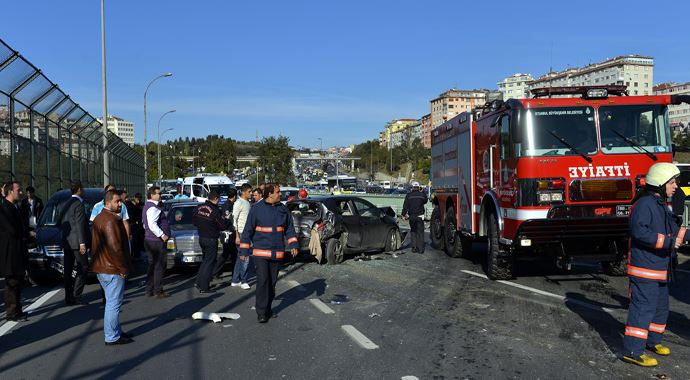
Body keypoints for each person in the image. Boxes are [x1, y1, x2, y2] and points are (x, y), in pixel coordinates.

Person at [623, 163, 689, 367]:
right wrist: (669, 242)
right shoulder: (644, 205)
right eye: (672, 182)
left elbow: (674, 229)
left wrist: (682, 235)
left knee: (660, 308)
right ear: (660, 183)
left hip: (659, 269)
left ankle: (653, 342)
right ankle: (633, 351)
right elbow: (639, 232)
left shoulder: (660, 203)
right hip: (645, 269)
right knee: (643, 309)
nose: (676, 186)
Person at [239, 183, 299, 323]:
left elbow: (289, 228)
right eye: (278, 192)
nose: (280, 194)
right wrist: (244, 250)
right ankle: (261, 312)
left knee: (271, 283)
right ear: (270, 194)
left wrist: (293, 244)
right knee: (263, 281)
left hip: (277, 253)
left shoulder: (283, 209)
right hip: (261, 254)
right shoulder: (256, 209)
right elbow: (248, 231)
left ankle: (268, 309)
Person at [91, 189, 133, 345]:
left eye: (120, 201)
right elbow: (115, 247)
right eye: (117, 201)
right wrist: (122, 268)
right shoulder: (110, 221)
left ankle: (116, 331)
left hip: (102, 267)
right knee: (113, 304)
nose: (120, 203)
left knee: (111, 302)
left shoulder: (99, 218)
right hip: (112, 268)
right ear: (108, 202)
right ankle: (112, 336)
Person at [0, 181, 32, 322]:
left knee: (18, 281)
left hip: (17, 250)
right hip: (10, 252)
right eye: (18, 190)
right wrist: (27, 233)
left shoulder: (14, 207)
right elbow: (12, 230)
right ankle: (11, 313)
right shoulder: (4, 208)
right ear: (10, 191)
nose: (20, 192)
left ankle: (18, 310)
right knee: (12, 282)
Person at [58, 181, 90, 306]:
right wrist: (82, 243)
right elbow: (80, 225)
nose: (84, 191)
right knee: (84, 267)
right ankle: (76, 295)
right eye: (83, 188)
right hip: (77, 242)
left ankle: (68, 296)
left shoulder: (64, 204)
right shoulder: (78, 204)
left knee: (68, 270)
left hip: (67, 242)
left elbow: (60, 221)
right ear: (79, 189)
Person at [193, 191, 227, 293]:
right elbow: (222, 226)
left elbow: (194, 221)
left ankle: (199, 282)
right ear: (216, 198)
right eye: (219, 199)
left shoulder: (199, 207)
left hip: (201, 237)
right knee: (209, 263)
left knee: (205, 261)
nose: (219, 201)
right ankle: (204, 287)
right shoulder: (214, 211)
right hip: (211, 239)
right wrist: (226, 220)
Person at [142, 186, 170, 298]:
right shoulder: (153, 207)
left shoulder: (147, 206)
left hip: (150, 240)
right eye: (158, 193)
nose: (160, 195)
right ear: (152, 195)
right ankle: (158, 290)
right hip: (156, 241)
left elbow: (145, 224)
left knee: (152, 266)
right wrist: (162, 235)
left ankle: (149, 290)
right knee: (159, 266)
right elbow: (152, 225)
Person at [230, 183, 253, 289]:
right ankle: (243, 281)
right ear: (243, 192)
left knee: (240, 258)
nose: (251, 193)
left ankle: (235, 280)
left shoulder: (247, 202)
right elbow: (234, 220)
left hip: (247, 233)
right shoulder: (239, 202)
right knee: (245, 257)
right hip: (242, 234)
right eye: (249, 191)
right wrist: (237, 236)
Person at [212, 188, 237, 280]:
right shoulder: (227, 205)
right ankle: (216, 272)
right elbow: (228, 219)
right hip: (228, 233)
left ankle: (216, 272)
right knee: (230, 254)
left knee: (228, 254)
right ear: (234, 196)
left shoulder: (229, 204)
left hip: (230, 232)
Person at [402, 181, 428, 254]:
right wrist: (422, 192)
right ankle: (420, 249)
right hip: (420, 216)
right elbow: (425, 201)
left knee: (413, 231)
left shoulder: (408, 195)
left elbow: (405, 206)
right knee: (420, 232)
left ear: (412, 187)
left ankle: (414, 248)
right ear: (419, 187)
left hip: (412, 216)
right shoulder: (422, 195)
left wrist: (403, 215)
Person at [125, 192, 144, 258]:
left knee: (138, 239)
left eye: (140, 199)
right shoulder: (130, 204)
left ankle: (137, 252)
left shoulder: (141, 205)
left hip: (139, 224)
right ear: (135, 198)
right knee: (133, 240)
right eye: (137, 199)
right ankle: (134, 254)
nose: (138, 201)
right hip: (133, 224)